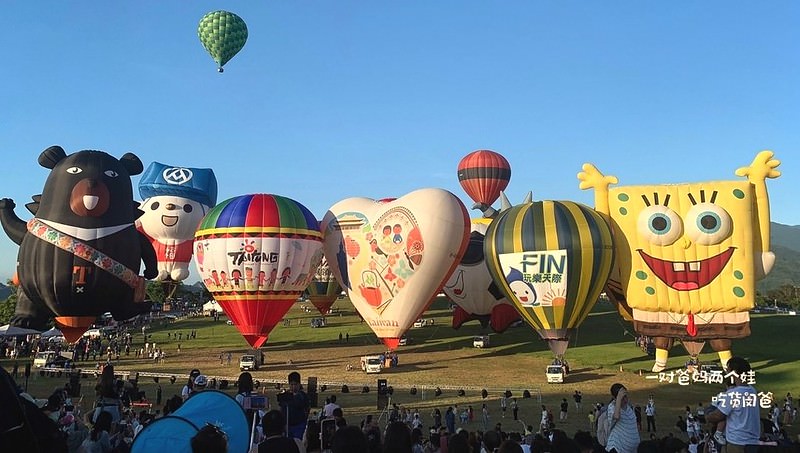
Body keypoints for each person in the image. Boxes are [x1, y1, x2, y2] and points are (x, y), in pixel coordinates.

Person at [705, 356, 761, 453]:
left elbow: (717, 416)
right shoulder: (752, 390)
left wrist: (707, 414)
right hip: (753, 442)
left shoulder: (733, 394)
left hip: (737, 443)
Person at [605, 383, 640, 453]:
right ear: (615, 398)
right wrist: (618, 398)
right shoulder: (612, 407)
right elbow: (616, 417)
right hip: (617, 448)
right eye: (622, 398)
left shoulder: (628, 407)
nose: (625, 400)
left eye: (626, 396)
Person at [279, 371, 311, 440]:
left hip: (299, 426)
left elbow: (307, 410)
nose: (293, 387)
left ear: (299, 384)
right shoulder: (285, 396)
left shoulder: (303, 396)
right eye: (291, 384)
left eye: (295, 384)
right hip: (287, 426)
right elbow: (281, 409)